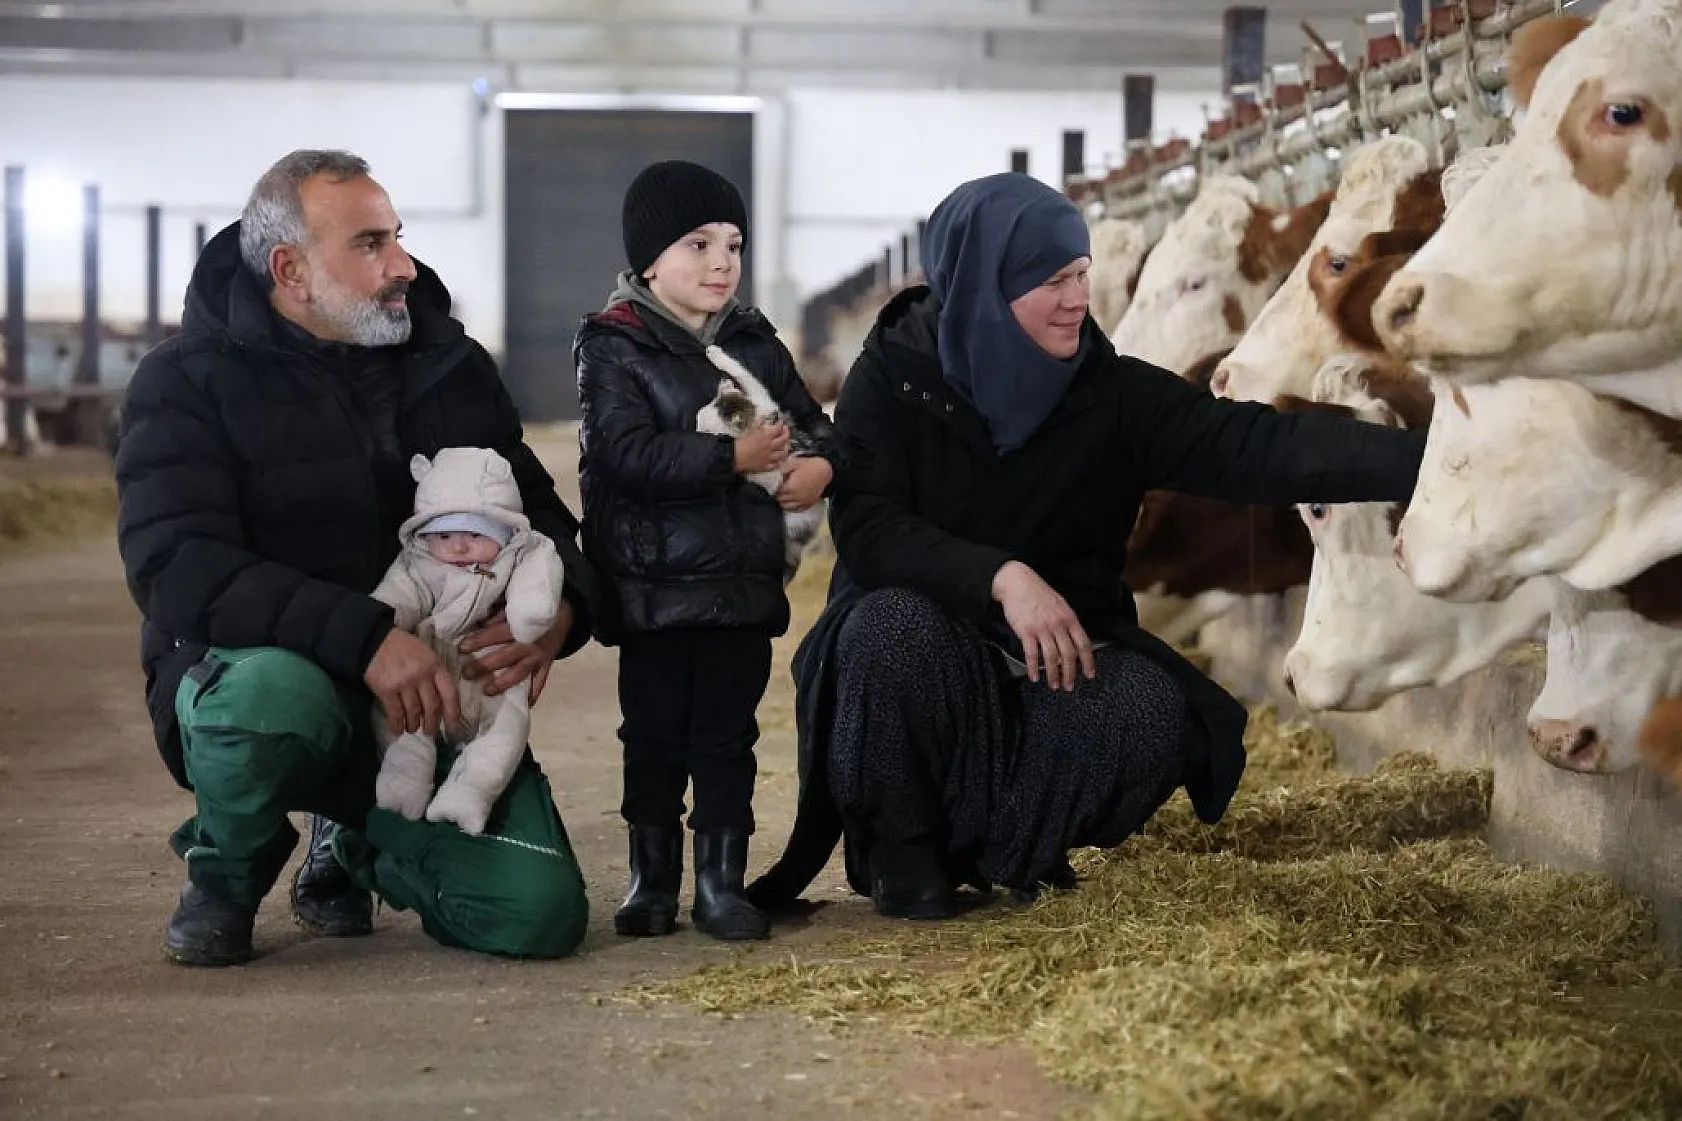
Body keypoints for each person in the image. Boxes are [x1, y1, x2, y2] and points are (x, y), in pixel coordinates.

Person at [745, 173, 1426, 919]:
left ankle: (998, 851)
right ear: (985, 284)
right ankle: (905, 854)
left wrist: (1442, 455)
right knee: (887, 628)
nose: (1078, 298)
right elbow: (870, 531)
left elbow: (1259, 444)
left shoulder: (1108, 393)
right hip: (928, 652)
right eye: (1052, 280)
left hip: (1054, 659)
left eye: (1081, 275)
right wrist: (1002, 577)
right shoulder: (895, 377)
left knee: (1149, 709)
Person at [115, 149, 599, 966]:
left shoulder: (450, 368)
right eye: (371, 245)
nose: (403, 266)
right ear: (291, 269)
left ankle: (358, 836)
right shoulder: (185, 382)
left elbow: (543, 520)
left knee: (536, 913)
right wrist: (367, 637)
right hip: (276, 681)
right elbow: (175, 564)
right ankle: (229, 867)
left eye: (398, 238)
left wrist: (564, 614)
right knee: (269, 698)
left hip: (427, 699)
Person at [574, 160, 843, 941]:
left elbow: (815, 425)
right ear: (650, 259)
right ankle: (649, 880)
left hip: (739, 589)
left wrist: (822, 465)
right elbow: (622, 454)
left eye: (733, 244)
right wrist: (732, 461)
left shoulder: (757, 343)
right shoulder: (612, 347)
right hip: (654, 593)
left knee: (728, 739)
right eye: (699, 244)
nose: (723, 261)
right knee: (653, 739)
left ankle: (721, 885)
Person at [368, 446, 566, 839]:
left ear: (503, 531)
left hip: (493, 672)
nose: (458, 548)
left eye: (474, 534)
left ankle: (472, 791)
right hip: (426, 671)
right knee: (397, 715)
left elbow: (538, 586)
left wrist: (531, 616)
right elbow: (395, 600)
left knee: (506, 729)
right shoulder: (418, 563)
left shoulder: (523, 553)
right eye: (444, 535)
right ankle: (406, 773)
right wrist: (377, 626)